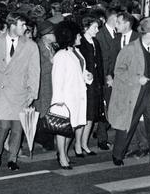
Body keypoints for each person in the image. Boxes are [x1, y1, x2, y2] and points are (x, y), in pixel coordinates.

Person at [109, 17, 150, 171]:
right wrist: (137, 79)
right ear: (149, 33)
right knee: (128, 125)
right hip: (134, 94)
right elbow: (119, 71)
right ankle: (117, 154)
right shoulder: (130, 49)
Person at [0, 13, 40, 171]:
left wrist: (33, 92)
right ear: (12, 25)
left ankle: (12, 158)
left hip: (20, 91)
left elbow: (34, 70)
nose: (25, 28)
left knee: (18, 128)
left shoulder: (30, 45)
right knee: (3, 126)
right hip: (2, 90)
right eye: (22, 25)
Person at [50, 20, 93, 170]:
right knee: (64, 130)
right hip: (66, 99)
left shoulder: (75, 52)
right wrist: (59, 102)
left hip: (77, 96)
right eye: (78, 35)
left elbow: (80, 71)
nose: (80, 37)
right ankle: (62, 156)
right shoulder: (61, 55)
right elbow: (57, 80)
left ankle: (64, 154)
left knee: (72, 128)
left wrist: (86, 76)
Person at [94, 8, 120, 150]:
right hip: (106, 78)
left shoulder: (117, 34)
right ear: (112, 19)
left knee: (113, 106)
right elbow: (102, 59)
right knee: (106, 108)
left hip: (117, 76)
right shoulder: (101, 35)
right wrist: (107, 77)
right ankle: (102, 138)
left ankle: (99, 131)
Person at [78, 16, 104, 156]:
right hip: (84, 84)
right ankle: (79, 143)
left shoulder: (95, 42)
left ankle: (84, 143)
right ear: (86, 27)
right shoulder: (80, 42)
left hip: (95, 83)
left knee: (91, 115)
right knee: (84, 114)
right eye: (94, 27)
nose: (97, 30)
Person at [33, 20, 56, 151]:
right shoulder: (38, 48)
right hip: (42, 86)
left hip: (51, 85)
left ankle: (46, 140)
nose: (55, 35)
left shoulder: (52, 46)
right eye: (53, 33)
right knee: (43, 113)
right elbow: (37, 68)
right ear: (46, 35)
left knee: (48, 112)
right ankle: (44, 140)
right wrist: (52, 63)